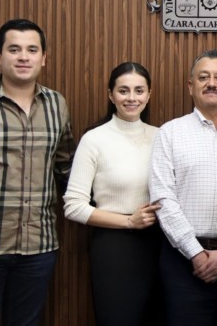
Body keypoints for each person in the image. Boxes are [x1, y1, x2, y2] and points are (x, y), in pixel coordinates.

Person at [148, 50, 217, 326]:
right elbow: (162, 198)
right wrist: (195, 253)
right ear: (190, 86)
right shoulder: (170, 133)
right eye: (203, 77)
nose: (212, 83)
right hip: (182, 263)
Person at [0, 18, 75, 326]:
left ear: (43, 58)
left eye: (32, 50)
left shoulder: (56, 104)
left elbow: (65, 165)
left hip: (39, 244)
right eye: (14, 49)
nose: (23, 57)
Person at [62, 62, 163, 326]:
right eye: (123, 90)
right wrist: (129, 221)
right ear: (111, 95)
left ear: (149, 95)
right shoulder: (94, 139)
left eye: (139, 90)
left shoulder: (162, 136)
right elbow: (73, 206)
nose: (132, 98)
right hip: (114, 246)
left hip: (160, 244)